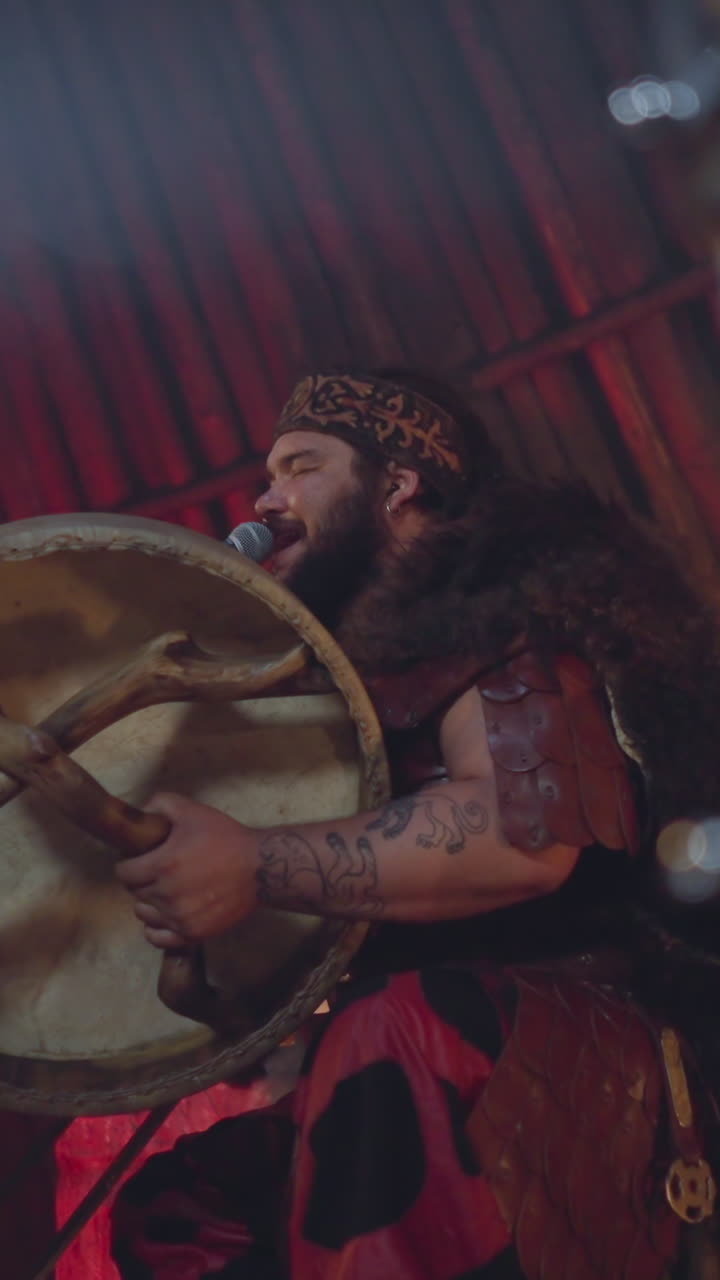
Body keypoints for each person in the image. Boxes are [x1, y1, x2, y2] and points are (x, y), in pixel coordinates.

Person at [111, 370, 720, 1279]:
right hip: (439, 1042)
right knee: (181, 1212)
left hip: (601, 1038)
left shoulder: (517, 615)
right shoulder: (340, 683)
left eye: (301, 467)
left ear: (399, 484)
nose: (266, 502)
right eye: (267, 479)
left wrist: (252, 865)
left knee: (392, 1028)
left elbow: (523, 841)